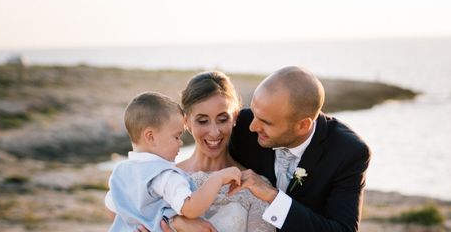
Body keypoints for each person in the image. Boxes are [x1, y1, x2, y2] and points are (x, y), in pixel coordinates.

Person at [165, 66, 371, 232]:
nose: (252, 127)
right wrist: (173, 220)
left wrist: (272, 196)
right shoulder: (242, 125)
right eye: (253, 113)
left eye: (264, 122)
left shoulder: (348, 152)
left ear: (302, 126)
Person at [107, 73, 275, 232]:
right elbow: (122, 216)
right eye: (202, 121)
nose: (214, 132)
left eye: (223, 119)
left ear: (235, 117)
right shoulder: (161, 178)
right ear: (185, 121)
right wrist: (173, 222)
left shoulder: (255, 187)